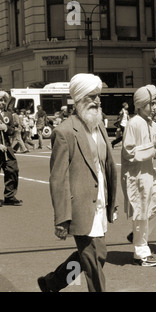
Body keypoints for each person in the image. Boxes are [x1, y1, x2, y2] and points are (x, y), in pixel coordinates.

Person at [37, 73, 118, 292]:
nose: (97, 101)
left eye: (98, 96)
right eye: (92, 96)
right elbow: (58, 178)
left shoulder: (99, 126)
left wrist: (112, 201)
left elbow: (106, 167)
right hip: (80, 207)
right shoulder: (64, 132)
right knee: (94, 259)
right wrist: (62, 218)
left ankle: (53, 282)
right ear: (79, 98)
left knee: (92, 256)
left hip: (100, 203)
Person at [121, 85, 156, 267]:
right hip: (136, 175)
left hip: (150, 173)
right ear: (140, 105)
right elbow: (129, 152)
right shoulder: (134, 123)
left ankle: (138, 236)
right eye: (152, 103)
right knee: (141, 212)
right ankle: (140, 253)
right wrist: (152, 147)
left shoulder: (154, 124)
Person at [0, 91, 22, 207]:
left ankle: (9, 196)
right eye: (0, 100)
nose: (2, 102)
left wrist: (6, 128)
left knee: (12, 170)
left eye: (4, 100)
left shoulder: (8, 114)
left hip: (7, 148)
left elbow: (13, 130)